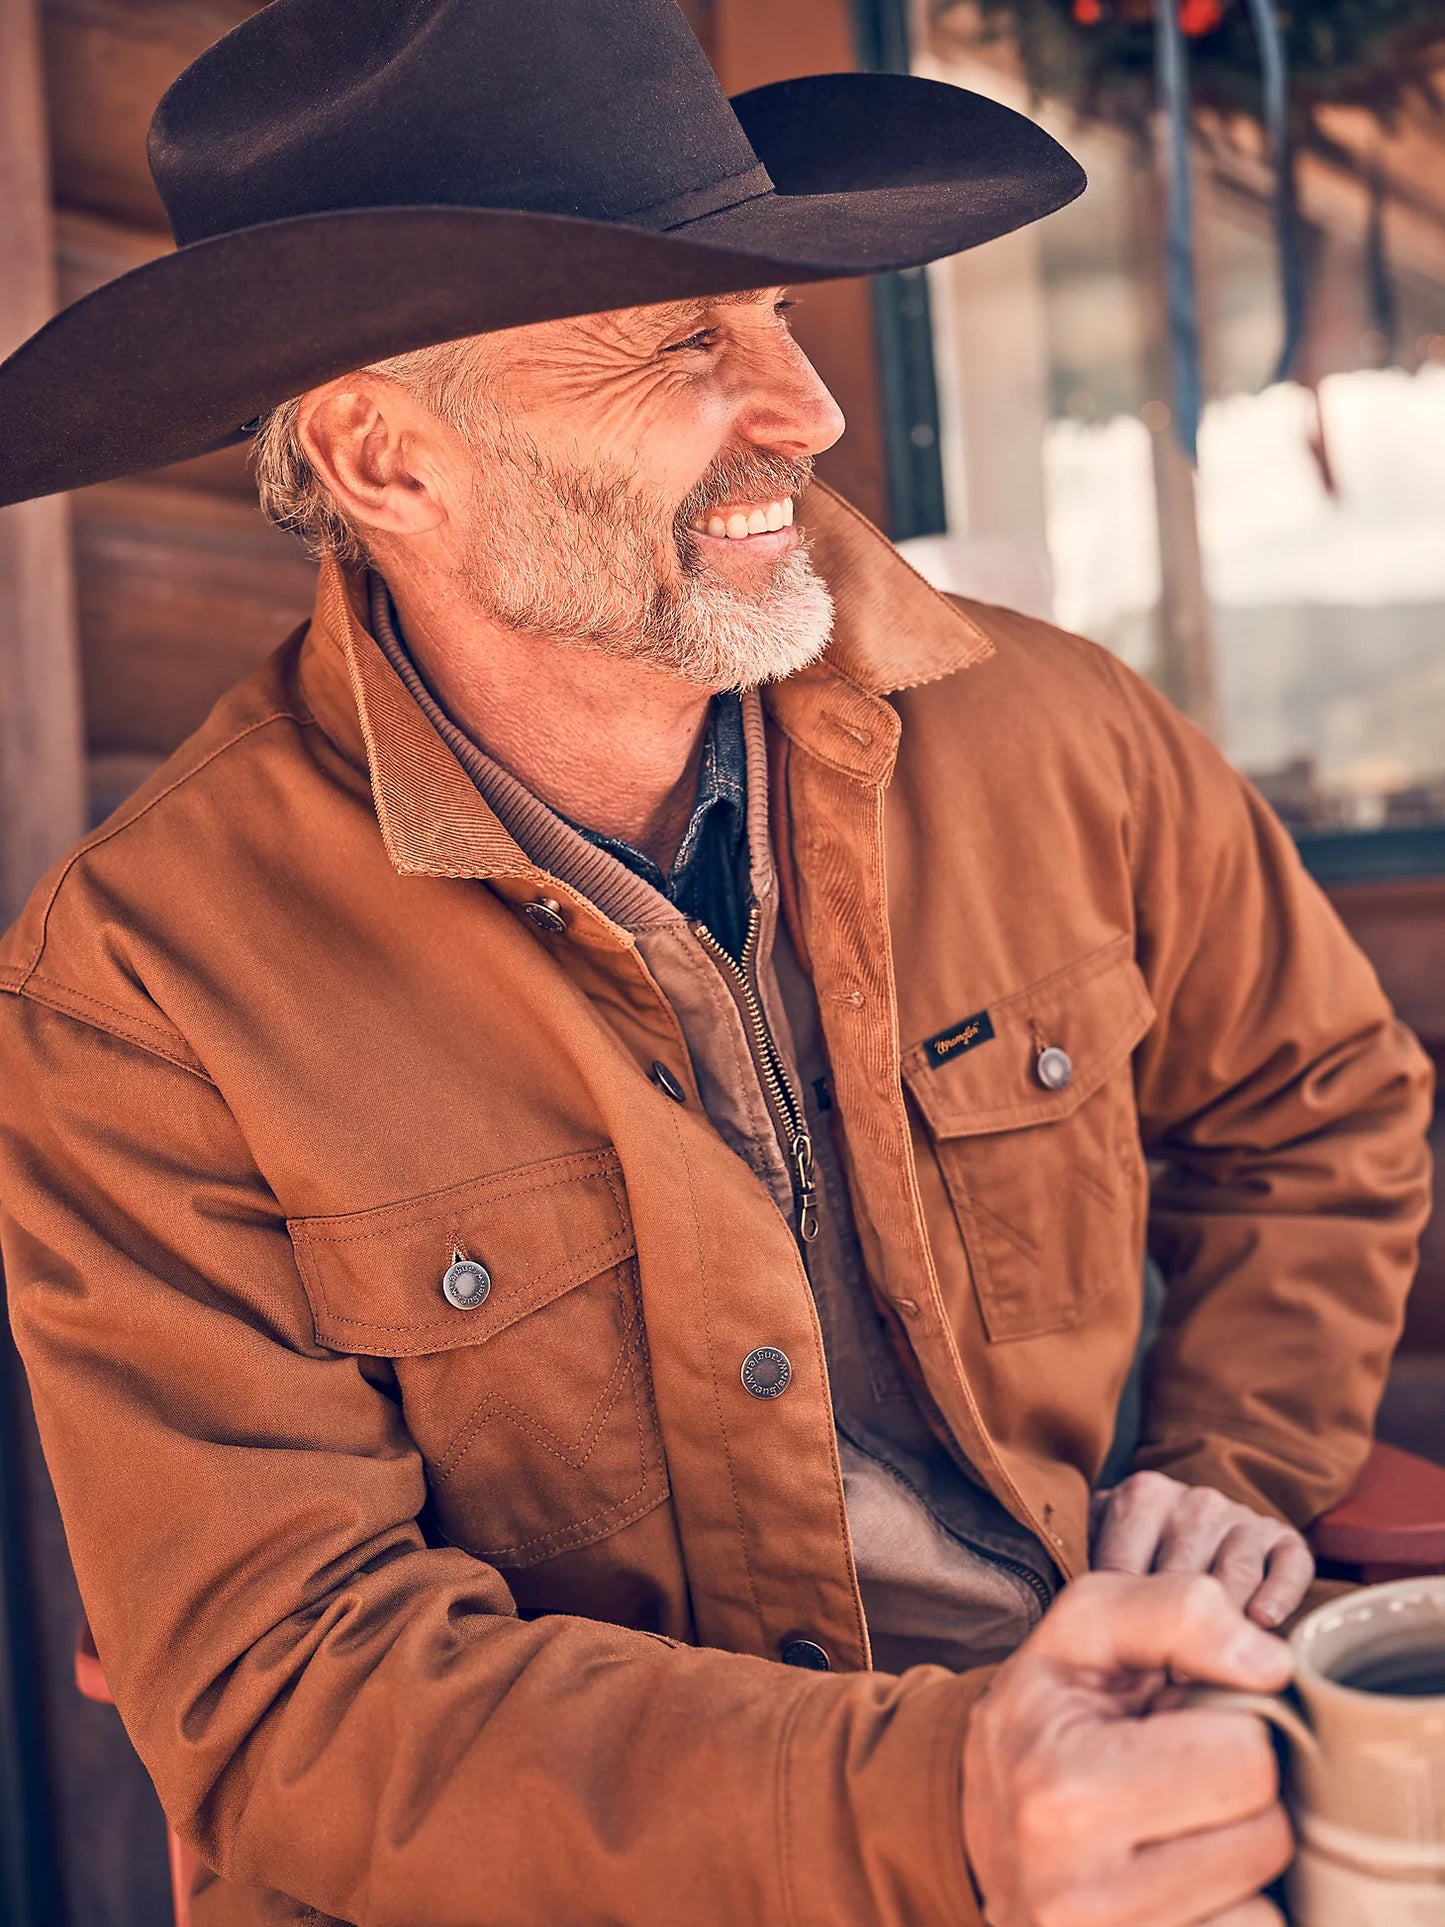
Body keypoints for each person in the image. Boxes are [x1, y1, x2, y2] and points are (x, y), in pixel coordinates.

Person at [0, 1, 1431, 1921]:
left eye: (773, 312)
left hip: (1140, 1773)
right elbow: (284, 1685)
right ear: (385, 460)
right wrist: (939, 1812)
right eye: (684, 342)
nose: (810, 408)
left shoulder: (1059, 734)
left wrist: (1234, 1453)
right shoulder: (145, 984)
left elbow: (1316, 1104)